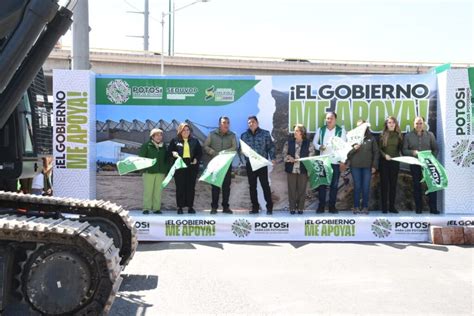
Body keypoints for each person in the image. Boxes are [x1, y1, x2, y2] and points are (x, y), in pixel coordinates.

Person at [402, 116, 439, 214]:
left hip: (428, 164)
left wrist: (432, 159)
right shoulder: (408, 136)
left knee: (432, 186)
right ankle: (419, 208)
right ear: (413, 124)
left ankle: (433, 208)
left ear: (424, 124)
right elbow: (404, 150)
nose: (418, 125)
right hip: (415, 163)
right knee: (416, 186)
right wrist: (412, 152)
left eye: (420, 123)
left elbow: (435, 149)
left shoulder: (430, 135)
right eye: (417, 123)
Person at [312, 111, 347, 213]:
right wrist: (319, 146)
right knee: (322, 185)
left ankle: (332, 207)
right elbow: (315, 142)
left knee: (334, 186)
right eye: (327, 118)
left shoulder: (341, 131)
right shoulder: (321, 130)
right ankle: (321, 206)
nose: (329, 120)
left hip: (335, 161)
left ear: (335, 119)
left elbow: (344, 147)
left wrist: (342, 161)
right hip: (323, 161)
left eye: (331, 118)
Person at [240, 115, 275, 215]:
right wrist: (242, 154)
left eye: (253, 122)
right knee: (252, 186)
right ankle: (255, 207)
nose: (251, 124)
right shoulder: (244, 135)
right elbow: (241, 148)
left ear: (257, 123)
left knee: (265, 185)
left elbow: (271, 147)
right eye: (249, 123)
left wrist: (272, 158)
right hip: (250, 164)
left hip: (261, 164)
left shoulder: (265, 134)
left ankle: (269, 207)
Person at [203, 116, 237, 214]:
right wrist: (212, 152)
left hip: (226, 165)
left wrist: (225, 152)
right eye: (224, 122)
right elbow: (205, 146)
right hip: (215, 164)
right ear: (219, 124)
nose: (226, 124)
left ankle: (225, 207)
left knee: (226, 186)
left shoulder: (232, 135)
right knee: (215, 186)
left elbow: (234, 147)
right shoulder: (212, 134)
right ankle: (214, 207)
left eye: (227, 122)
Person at [169, 122, 202, 214]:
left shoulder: (195, 141)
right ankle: (180, 207)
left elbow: (199, 152)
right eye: (184, 130)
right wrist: (173, 153)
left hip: (191, 166)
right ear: (180, 131)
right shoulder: (175, 140)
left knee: (190, 187)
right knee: (180, 187)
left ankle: (190, 207)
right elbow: (170, 152)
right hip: (179, 166)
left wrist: (196, 159)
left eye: (187, 130)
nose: (186, 131)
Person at [347, 120, 379, 214]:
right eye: (358, 126)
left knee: (366, 187)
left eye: (362, 126)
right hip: (355, 166)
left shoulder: (371, 138)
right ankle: (356, 207)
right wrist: (354, 148)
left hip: (367, 167)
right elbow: (347, 153)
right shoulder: (351, 138)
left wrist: (374, 166)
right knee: (357, 187)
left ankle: (365, 207)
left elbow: (376, 152)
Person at [283, 124, 315, 214]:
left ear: (302, 132)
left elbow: (311, 157)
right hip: (291, 170)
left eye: (297, 131)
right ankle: (292, 208)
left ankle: (300, 208)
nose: (295, 132)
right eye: (295, 131)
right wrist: (289, 158)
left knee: (302, 190)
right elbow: (284, 155)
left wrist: (305, 161)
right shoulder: (289, 142)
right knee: (291, 189)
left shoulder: (309, 143)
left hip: (303, 170)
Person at [138, 128, 170, 214]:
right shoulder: (146, 145)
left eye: (160, 135)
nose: (159, 137)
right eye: (157, 135)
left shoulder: (164, 147)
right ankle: (146, 208)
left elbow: (167, 159)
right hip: (149, 172)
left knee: (158, 192)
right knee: (148, 191)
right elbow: (141, 158)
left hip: (160, 173)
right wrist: (144, 170)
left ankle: (156, 208)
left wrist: (165, 169)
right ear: (152, 136)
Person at [379, 116, 403, 214]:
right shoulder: (382, 135)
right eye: (389, 122)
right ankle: (384, 207)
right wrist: (385, 155)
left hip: (395, 162)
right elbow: (379, 149)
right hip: (384, 162)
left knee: (393, 185)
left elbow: (401, 149)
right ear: (387, 124)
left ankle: (391, 207)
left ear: (396, 124)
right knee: (384, 185)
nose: (391, 124)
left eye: (393, 122)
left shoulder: (399, 136)